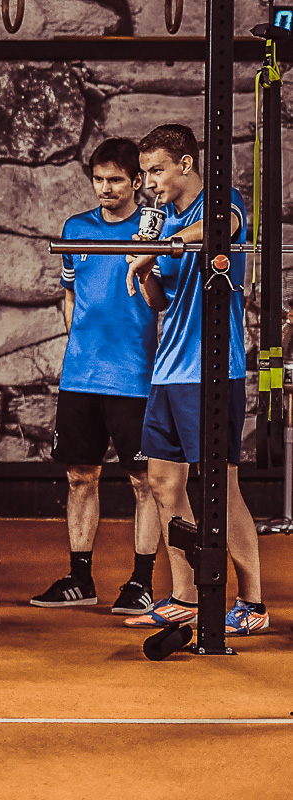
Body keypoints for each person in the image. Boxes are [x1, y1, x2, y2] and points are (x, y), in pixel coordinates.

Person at [122, 124, 269, 634]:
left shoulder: (221, 200)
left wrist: (157, 243)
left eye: (156, 170)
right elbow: (162, 301)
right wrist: (144, 273)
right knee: (164, 483)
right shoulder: (165, 219)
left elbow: (216, 230)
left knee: (221, 488)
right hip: (168, 371)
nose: (149, 183)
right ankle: (184, 596)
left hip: (210, 370)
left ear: (186, 165)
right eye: (144, 173)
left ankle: (251, 603)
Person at [30, 138, 160, 615]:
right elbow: (69, 293)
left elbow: (160, 298)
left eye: (116, 180)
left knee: (144, 481)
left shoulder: (150, 234)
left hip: (134, 377)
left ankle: (141, 581)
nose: (106, 188)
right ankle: (79, 579)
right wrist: (79, 343)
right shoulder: (76, 228)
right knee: (80, 475)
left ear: (136, 182)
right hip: (81, 376)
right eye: (99, 180)